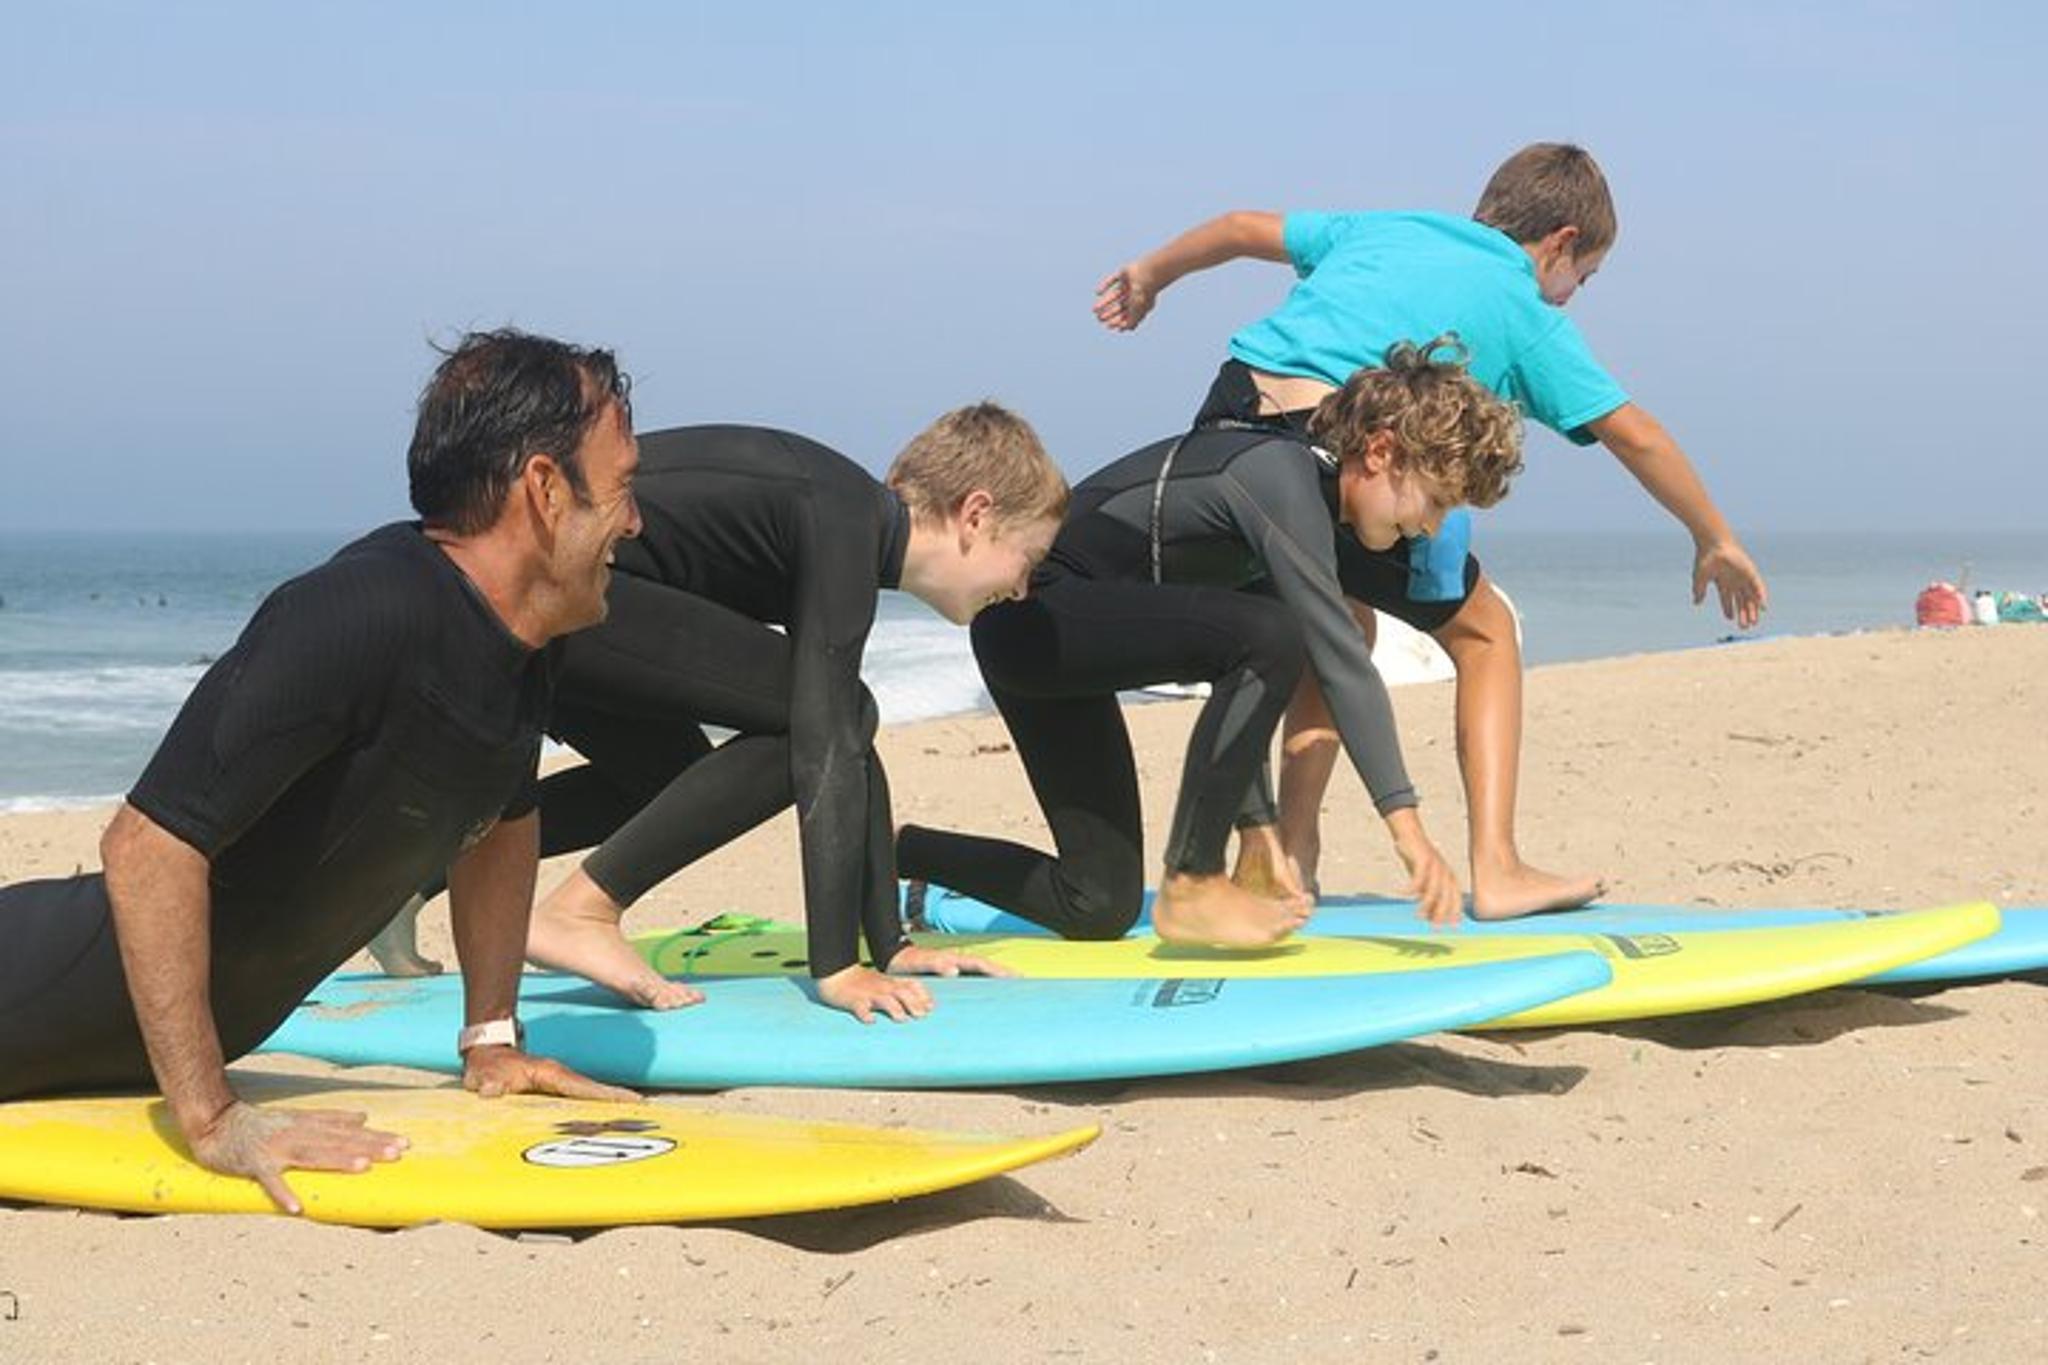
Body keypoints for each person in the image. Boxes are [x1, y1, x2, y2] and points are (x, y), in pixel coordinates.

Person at [0, 329, 641, 1212]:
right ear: (542, 488)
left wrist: (489, 1037)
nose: (635, 522)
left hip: (104, 1056)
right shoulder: (359, 611)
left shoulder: (528, 641)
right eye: (620, 490)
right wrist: (213, 1115)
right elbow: (147, 846)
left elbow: (503, 814)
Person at [1093, 143, 1769, 917]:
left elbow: (1242, 226)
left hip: (1232, 423)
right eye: (1583, 278)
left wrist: (1150, 275)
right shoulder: (1523, 307)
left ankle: (1293, 852)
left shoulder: (1390, 228)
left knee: (1329, 613)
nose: (1573, 295)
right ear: (1563, 243)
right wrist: (1713, 535)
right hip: (1344, 446)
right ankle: (1500, 865)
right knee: (1483, 632)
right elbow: (1635, 433)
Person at [451, 406, 1070, 1022]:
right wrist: (837, 968)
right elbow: (827, 737)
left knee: (671, 780)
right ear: (977, 515)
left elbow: (846, 740)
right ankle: (578, 912)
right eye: (1028, 560)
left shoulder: (845, 521)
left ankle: (425, 874)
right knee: (829, 714)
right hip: (554, 586)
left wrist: (890, 945)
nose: (1019, 591)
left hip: (520, 593)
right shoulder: (842, 519)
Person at [897, 338, 1522, 946]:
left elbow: (1236, 674)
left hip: (1062, 643)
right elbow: (1337, 658)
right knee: (1276, 635)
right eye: (1436, 502)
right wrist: (1407, 827)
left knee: (1096, 902)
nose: (1431, 527)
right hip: (1032, 617)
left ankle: (899, 853)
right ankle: (1193, 880)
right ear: (1381, 450)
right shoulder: (1276, 472)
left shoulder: (1305, 515)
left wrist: (1257, 828)